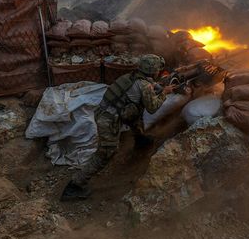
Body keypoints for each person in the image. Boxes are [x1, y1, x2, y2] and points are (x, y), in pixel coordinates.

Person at [61, 54, 176, 201]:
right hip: (108, 121)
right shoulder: (144, 85)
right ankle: (74, 186)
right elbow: (152, 107)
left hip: (107, 112)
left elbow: (139, 94)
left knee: (136, 115)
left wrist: (157, 88)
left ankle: (140, 140)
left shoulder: (131, 76)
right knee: (106, 154)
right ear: (153, 70)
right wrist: (164, 93)